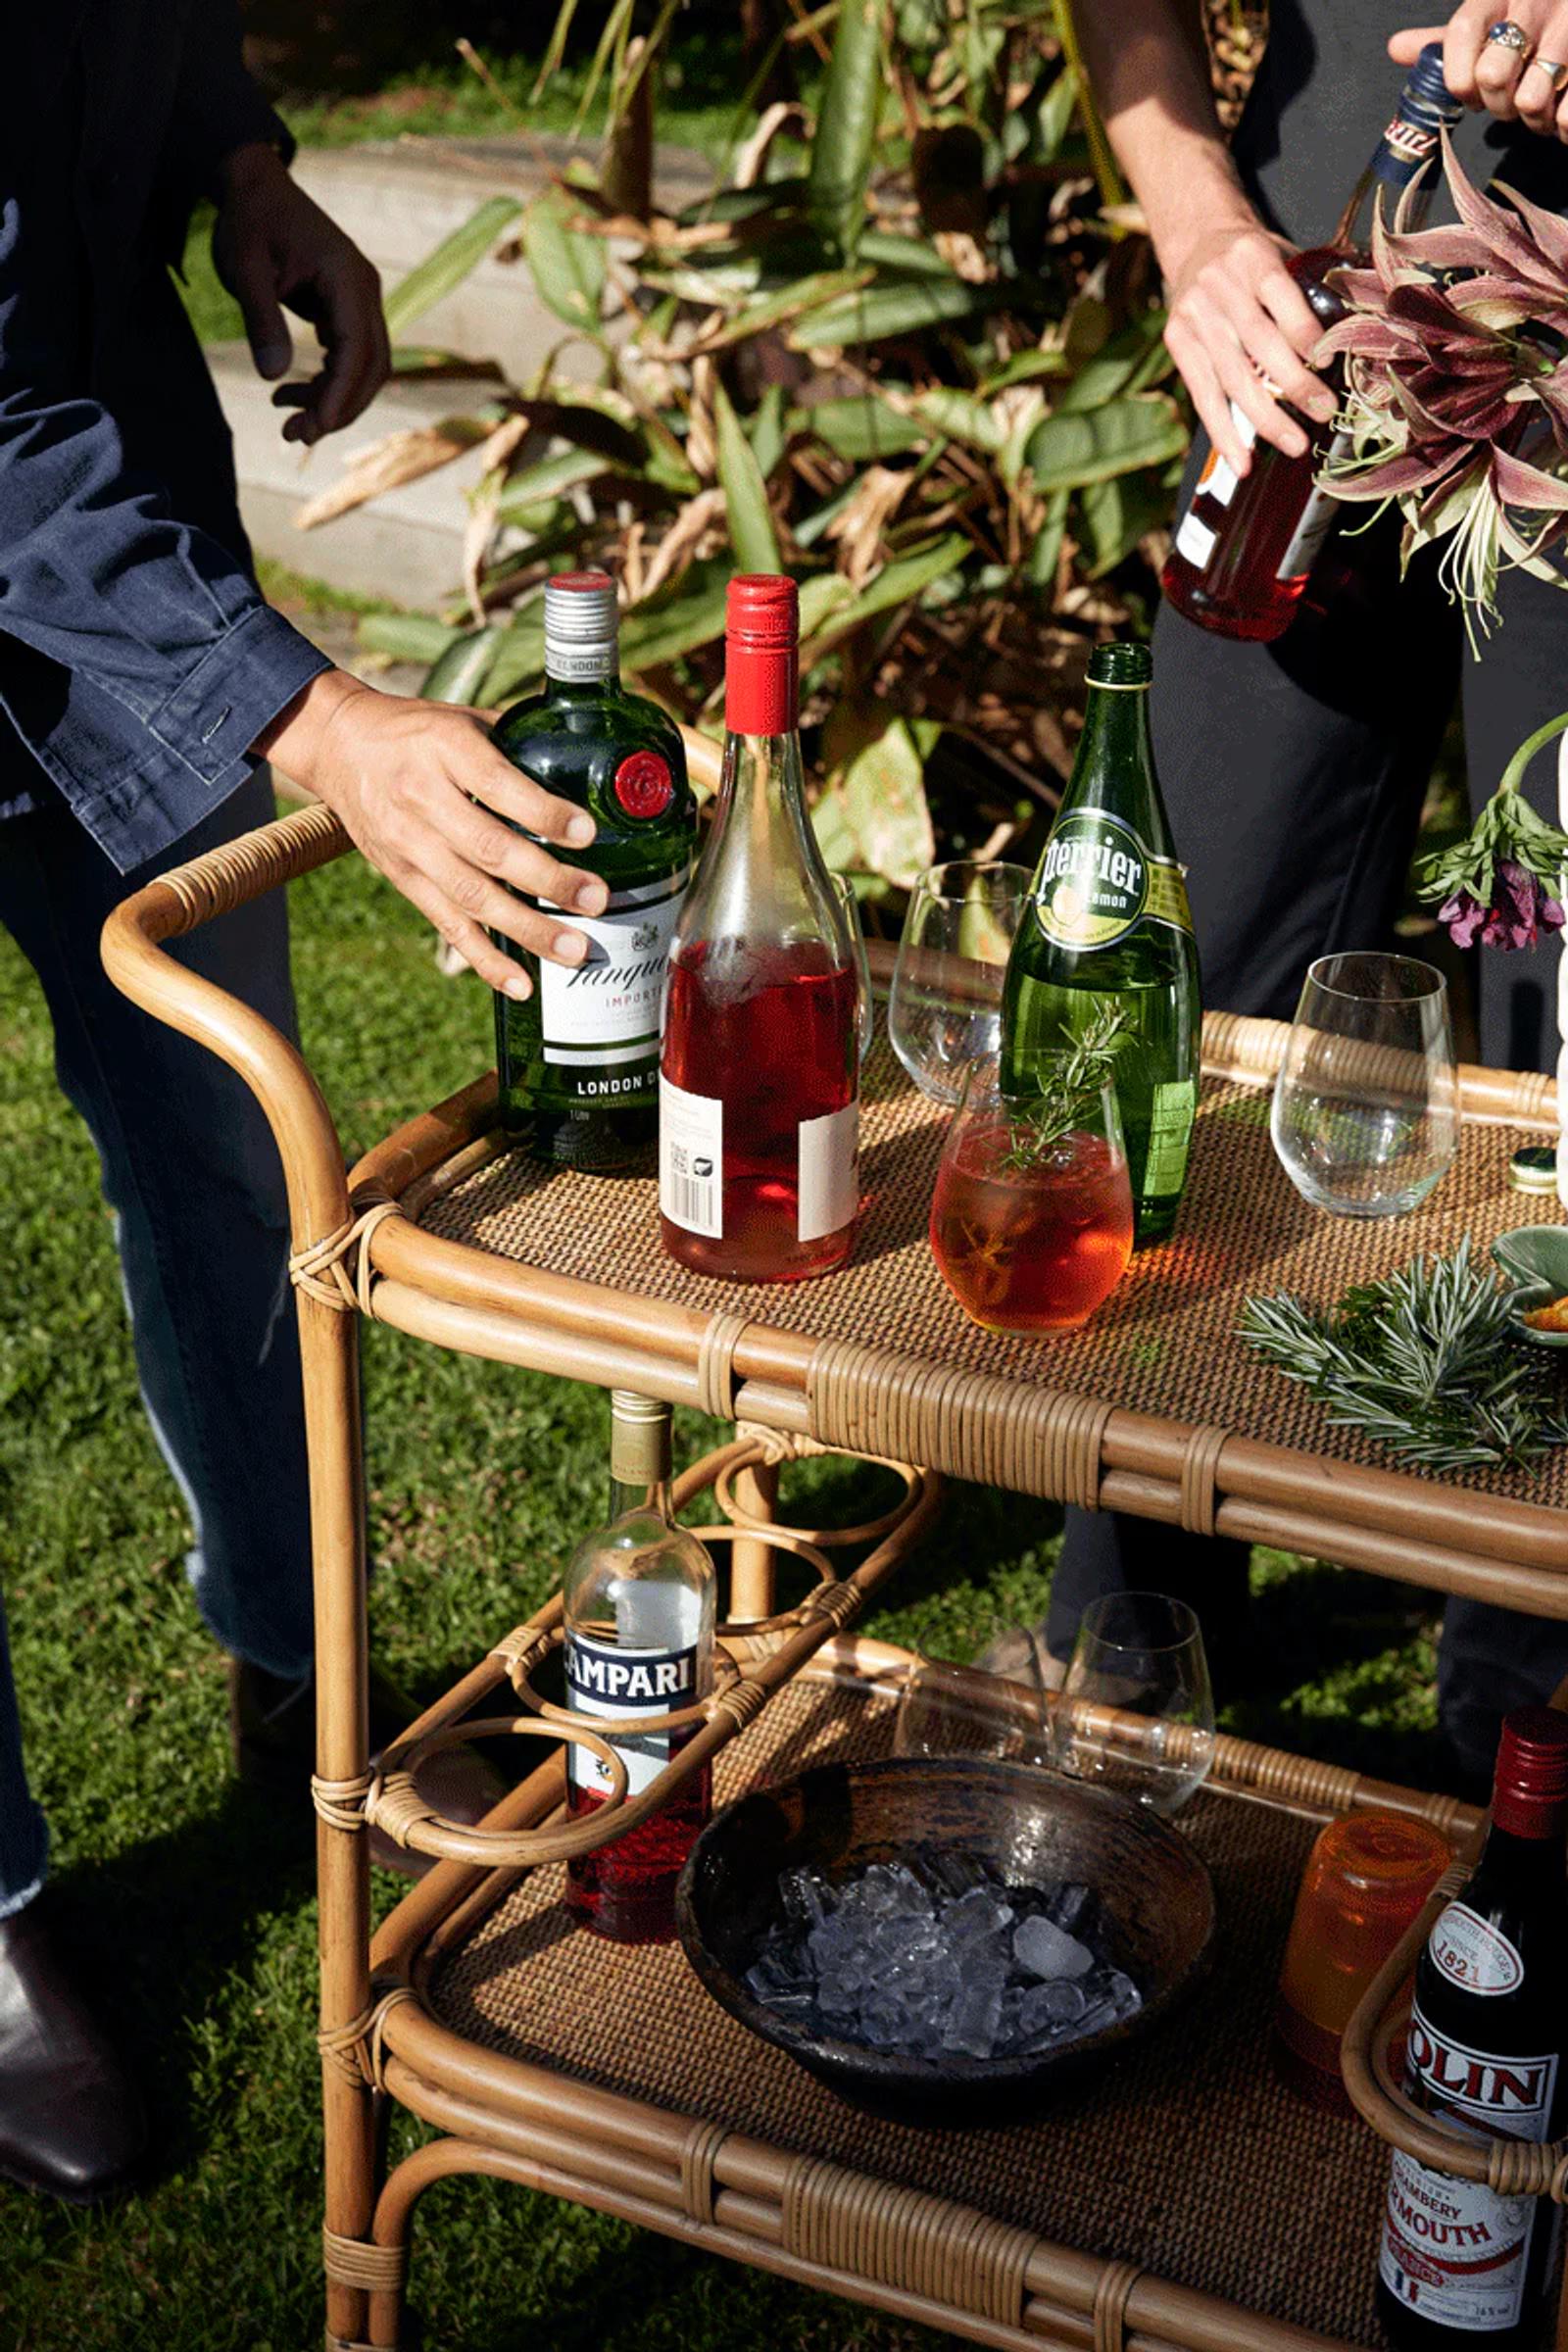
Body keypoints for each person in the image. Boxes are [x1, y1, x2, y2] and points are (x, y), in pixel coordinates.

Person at [0, 14, 608, 2203]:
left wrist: (241, 154)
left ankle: (295, 1658)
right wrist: (315, 714)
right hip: (76, 541)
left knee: (230, 1163)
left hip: (119, 583)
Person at [1052, 0, 1568, 1778]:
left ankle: (1522, 1740)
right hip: (1321, 270)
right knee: (1183, 984)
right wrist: (1197, 223)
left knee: (1564, 1066)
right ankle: (1132, 1650)